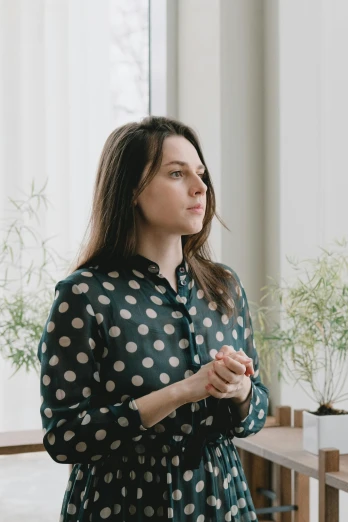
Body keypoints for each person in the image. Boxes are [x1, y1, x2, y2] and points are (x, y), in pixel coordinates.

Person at [37, 116, 268, 521]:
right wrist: (182, 391)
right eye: (176, 174)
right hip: (123, 503)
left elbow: (256, 413)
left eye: (201, 174)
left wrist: (239, 390)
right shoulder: (84, 295)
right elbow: (64, 437)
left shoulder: (224, 287)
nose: (200, 187)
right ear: (130, 190)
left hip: (220, 497)